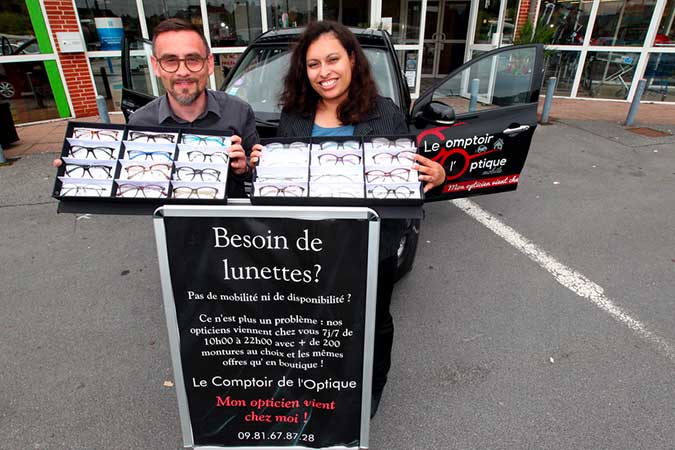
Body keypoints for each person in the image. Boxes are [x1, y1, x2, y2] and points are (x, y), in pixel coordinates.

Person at [251, 21, 445, 417]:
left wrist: (436, 178)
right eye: (313, 64)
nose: (325, 72)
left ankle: (371, 388)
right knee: (317, 321)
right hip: (311, 249)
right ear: (303, 72)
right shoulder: (295, 117)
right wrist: (264, 167)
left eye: (333, 59)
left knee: (374, 322)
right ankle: (322, 387)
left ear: (353, 59)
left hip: (373, 247)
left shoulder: (386, 114)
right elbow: (286, 183)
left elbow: (406, 182)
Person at [55, 18, 261, 197]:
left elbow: (258, 173)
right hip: (171, 233)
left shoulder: (239, 111)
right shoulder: (141, 122)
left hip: (230, 234)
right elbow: (129, 180)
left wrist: (243, 169)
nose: (183, 71)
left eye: (192, 59)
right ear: (155, 66)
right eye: (171, 61)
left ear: (208, 64)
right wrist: (77, 172)